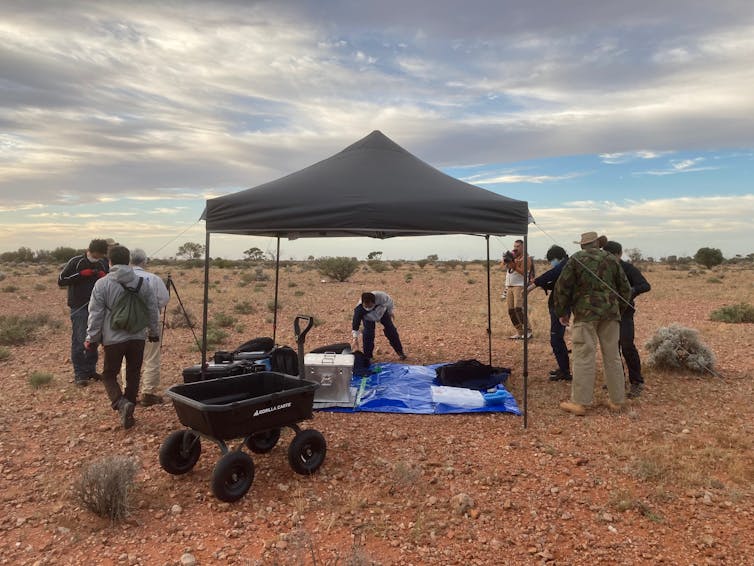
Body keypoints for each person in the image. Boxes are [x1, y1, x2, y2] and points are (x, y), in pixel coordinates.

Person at [553, 232, 631, 416]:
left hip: (584, 314)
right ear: (597, 243)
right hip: (611, 314)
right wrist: (617, 309)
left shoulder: (576, 259)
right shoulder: (611, 259)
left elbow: (562, 287)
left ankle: (580, 403)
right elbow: (625, 289)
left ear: (582, 245)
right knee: (612, 357)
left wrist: (562, 312)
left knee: (583, 356)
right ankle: (618, 401)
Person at [85, 245, 160, 429]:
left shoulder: (102, 284)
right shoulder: (143, 283)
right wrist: (154, 332)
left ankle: (121, 403)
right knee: (133, 373)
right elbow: (152, 310)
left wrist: (91, 338)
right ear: (128, 261)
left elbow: (95, 315)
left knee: (109, 374)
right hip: (137, 338)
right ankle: (130, 407)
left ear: (109, 262)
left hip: (113, 339)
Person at [119, 249, 170, 406]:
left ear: (129, 261)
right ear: (144, 261)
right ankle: (147, 392)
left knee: (126, 359)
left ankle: (129, 392)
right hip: (149, 323)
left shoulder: (119, 279)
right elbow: (164, 299)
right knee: (151, 357)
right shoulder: (153, 279)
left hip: (125, 323)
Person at [57, 239, 110, 386]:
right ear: (90, 250)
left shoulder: (103, 262)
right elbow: (61, 280)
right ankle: (80, 374)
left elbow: (109, 278)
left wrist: (103, 276)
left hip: (99, 307)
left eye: (101, 255)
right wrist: (81, 274)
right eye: (97, 255)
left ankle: (90, 370)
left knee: (94, 339)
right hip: (79, 307)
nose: (98, 258)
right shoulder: (76, 261)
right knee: (79, 340)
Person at [603, 241, 651, 398]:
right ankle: (617, 380)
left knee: (627, 346)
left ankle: (636, 381)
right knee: (612, 348)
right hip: (608, 314)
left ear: (619, 254)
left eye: (612, 255)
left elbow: (645, 285)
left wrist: (632, 290)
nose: (609, 258)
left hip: (625, 313)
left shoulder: (628, 268)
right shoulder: (604, 270)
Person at [528, 245, 571, 381]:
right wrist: (544, 285)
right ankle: (563, 369)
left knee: (556, 339)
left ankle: (565, 372)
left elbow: (552, 273)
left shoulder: (566, 265)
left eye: (551, 261)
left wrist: (535, 284)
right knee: (557, 339)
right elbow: (556, 283)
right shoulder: (565, 266)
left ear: (557, 258)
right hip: (558, 307)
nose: (551, 264)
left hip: (561, 308)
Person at [351, 291, 406, 363]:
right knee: (368, 334)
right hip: (368, 318)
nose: (367, 308)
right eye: (366, 306)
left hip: (382, 313)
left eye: (369, 306)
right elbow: (355, 324)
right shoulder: (359, 309)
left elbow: (389, 302)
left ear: (374, 302)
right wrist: (355, 338)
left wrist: (390, 312)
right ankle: (368, 357)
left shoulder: (381, 297)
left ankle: (400, 352)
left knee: (391, 331)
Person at [503, 239, 534, 339]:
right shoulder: (513, 257)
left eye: (518, 246)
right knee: (511, 310)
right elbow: (501, 265)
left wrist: (514, 266)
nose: (515, 248)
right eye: (515, 246)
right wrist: (507, 259)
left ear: (523, 247)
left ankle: (528, 331)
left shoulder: (526, 258)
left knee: (518, 308)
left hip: (519, 285)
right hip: (509, 286)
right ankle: (519, 332)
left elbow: (525, 273)